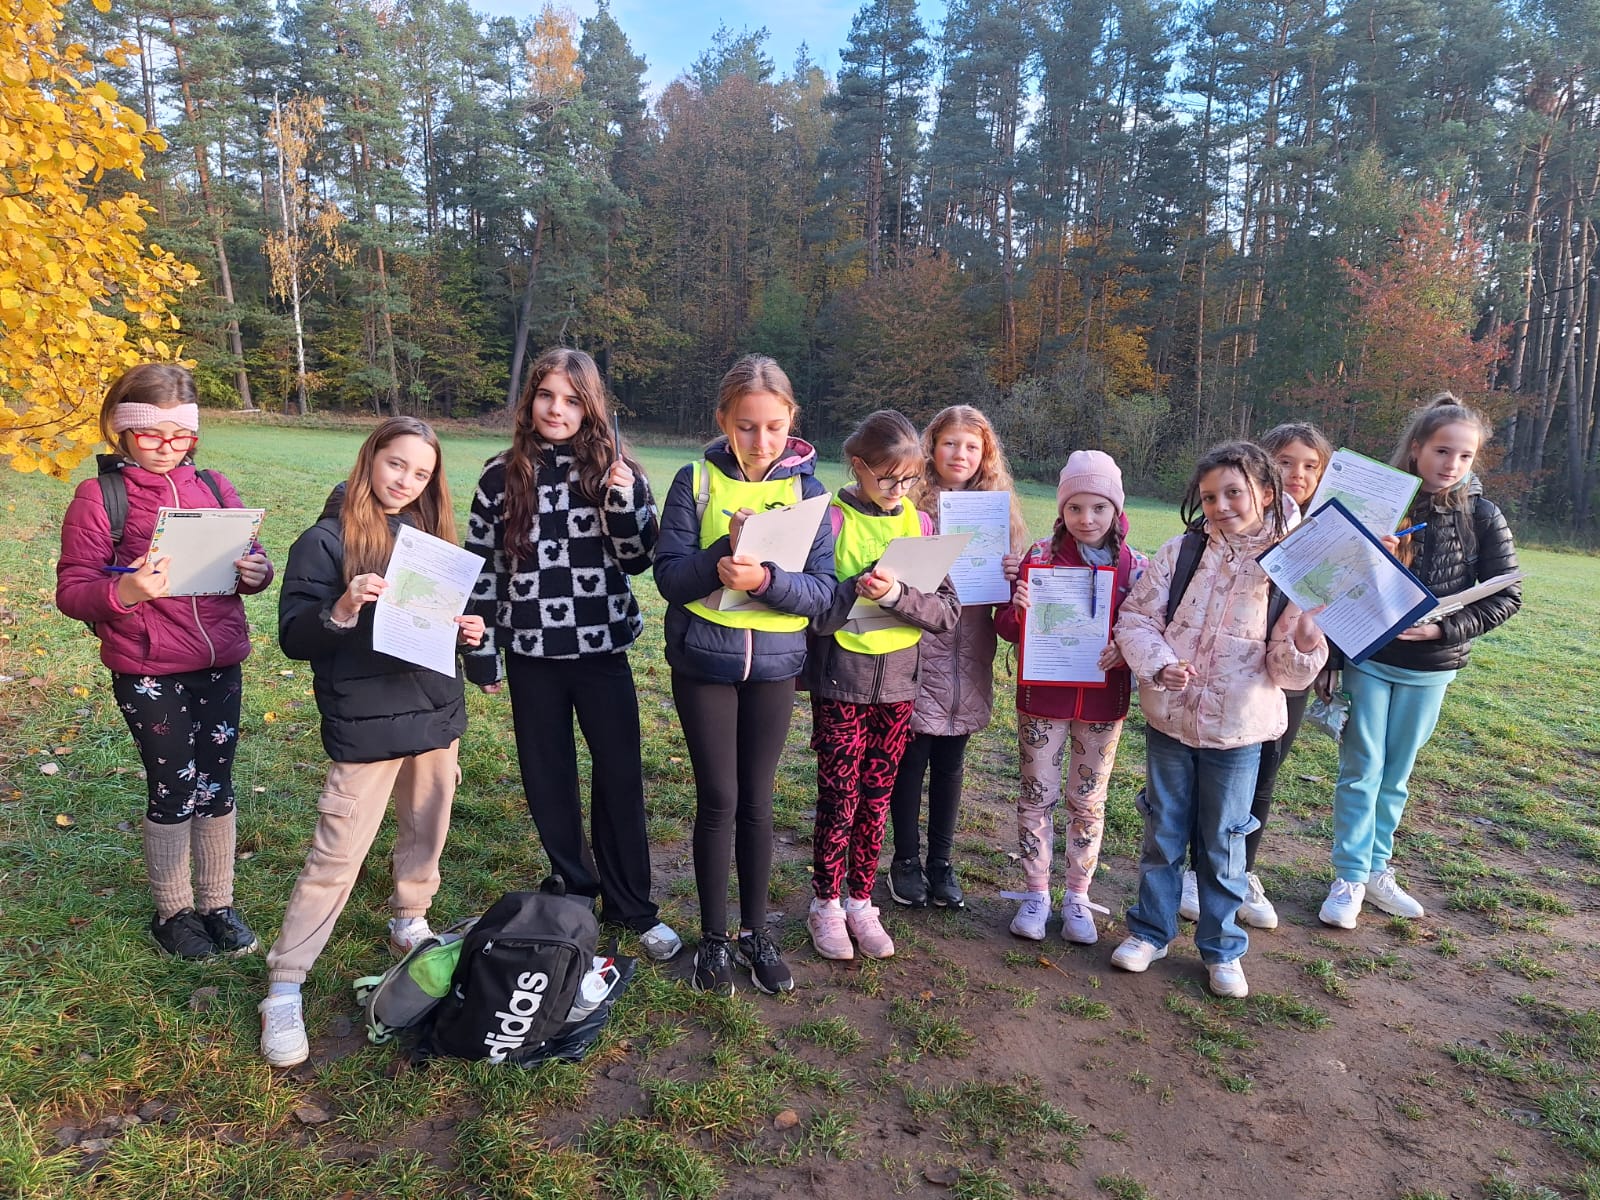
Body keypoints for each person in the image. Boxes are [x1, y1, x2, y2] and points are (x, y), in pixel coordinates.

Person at [259, 416, 483, 1067]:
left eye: (421, 473)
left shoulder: (430, 542)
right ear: (370, 459)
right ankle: (285, 983)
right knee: (335, 858)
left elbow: (437, 627)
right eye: (396, 464)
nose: (405, 481)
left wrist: (467, 633)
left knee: (426, 830)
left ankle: (410, 917)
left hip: (434, 717)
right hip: (365, 725)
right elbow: (295, 637)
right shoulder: (323, 541)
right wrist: (343, 608)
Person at [464, 348, 680, 962]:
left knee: (620, 775)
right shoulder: (498, 476)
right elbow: (482, 568)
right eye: (546, 395)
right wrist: (480, 653)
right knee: (547, 776)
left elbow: (639, 560)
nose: (556, 409)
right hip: (531, 649)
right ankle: (575, 888)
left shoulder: (616, 471)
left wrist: (623, 500)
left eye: (571, 399)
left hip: (601, 648)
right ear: (530, 400)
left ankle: (633, 905)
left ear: (592, 408)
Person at [55, 364, 273, 960]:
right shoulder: (101, 497)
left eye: (182, 436)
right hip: (147, 668)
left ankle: (218, 903)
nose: (168, 447)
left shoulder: (216, 486)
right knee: (174, 783)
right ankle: (173, 911)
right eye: (152, 434)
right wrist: (125, 591)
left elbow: (250, 559)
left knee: (216, 782)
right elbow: (72, 589)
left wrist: (257, 572)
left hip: (218, 660)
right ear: (122, 428)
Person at [1112, 441, 1327, 998]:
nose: (1221, 505)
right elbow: (1136, 619)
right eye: (1210, 496)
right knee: (1163, 832)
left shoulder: (1292, 566)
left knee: (1224, 843)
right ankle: (1151, 932)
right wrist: (1160, 665)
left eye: (1234, 492)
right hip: (1170, 721)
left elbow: (1287, 673)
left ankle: (1222, 948)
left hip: (1239, 731)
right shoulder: (1182, 551)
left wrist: (1306, 639)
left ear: (1265, 492)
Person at [652, 355, 836, 995]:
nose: (762, 441)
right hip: (704, 661)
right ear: (724, 422)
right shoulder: (695, 481)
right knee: (719, 799)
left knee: (758, 801)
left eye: (775, 427)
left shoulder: (810, 493)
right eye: (747, 427)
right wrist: (720, 557)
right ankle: (713, 938)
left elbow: (822, 593)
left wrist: (764, 581)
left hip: (777, 665)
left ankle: (755, 933)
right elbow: (669, 577)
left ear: (792, 422)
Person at [1320, 395, 1520, 929]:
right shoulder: (1380, 505)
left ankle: (1377, 870)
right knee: (1361, 769)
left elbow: (1506, 595)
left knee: (1396, 773)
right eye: (1441, 451)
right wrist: (1332, 659)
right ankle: (1348, 878)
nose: (1451, 464)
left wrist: (1441, 629)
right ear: (1416, 449)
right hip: (1370, 656)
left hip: (1431, 666)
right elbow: (1331, 582)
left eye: (1464, 455)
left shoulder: (1483, 515)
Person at [805, 411, 960, 961]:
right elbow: (814, 613)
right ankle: (825, 903)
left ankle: (861, 901)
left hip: (898, 690)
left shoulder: (919, 524)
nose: (899, 490)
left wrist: (896, 596)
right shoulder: (830, 521)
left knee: (876, 799)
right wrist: (856, 586)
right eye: (888, 478)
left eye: (910, 479)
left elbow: (947, 613)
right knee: (839, 798)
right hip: (840, 685)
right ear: (858, 466)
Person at [1176, 422, 1336, 929]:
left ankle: (1242, 870)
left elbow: (1327, 611)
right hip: (1214, 678)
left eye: (1310, 466)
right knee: (1205, 774)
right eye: (1285, 462)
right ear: (1263, 470)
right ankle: (1196, 870)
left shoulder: (1324, 535)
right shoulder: (1217, 532)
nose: (1297, 474)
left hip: (1285, 673)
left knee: (1263, 774)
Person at [993, 450, 1146, 944]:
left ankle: (1077, 895)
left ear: (1116, 510)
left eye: (1098, 507)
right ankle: (1036, 892)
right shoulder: (1039, 558)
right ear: (1062, 510)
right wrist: (1018, 609)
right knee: (1036, 796)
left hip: (1102, 704)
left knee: (1088, 802)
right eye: (1075, 508)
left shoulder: (1135, 568)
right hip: (1043, 700)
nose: (1086, 518)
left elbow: (1145, 632)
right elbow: (1006, 628)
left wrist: (1123, 650)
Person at [886, 406, 1025, 911]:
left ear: (985, 454)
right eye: (949, 443)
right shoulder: (910, 504)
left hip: (969, 652)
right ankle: (905, 860)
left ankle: (941, 862)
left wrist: (1013, 573)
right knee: (911, 757)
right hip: (918, 647)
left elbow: (1009, 601)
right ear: (931, 446)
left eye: (971, 446)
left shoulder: (1000, 514)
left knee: (951, 762)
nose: (959, 454)